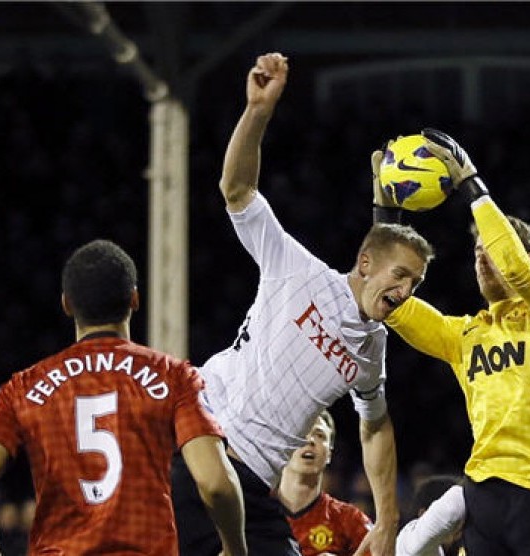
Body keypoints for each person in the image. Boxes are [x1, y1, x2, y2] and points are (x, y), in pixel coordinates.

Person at [172, 52, 434, 556]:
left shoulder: (372, 347)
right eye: (400, 276)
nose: (406, 292)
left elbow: (375, 424)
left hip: (254, 486)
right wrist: (258, 111)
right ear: (364, 263)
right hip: (204, 448)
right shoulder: (297, 269)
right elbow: (237, 189)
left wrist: (386, 518)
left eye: (416, 283)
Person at [0, 239, 247, 556]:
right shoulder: (174, 377)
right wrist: (235, 549)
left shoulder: (23, 388)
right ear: (134, 299)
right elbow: (215, 483)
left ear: (66, 304)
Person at [373, 128, 530, 554]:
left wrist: (471, 182)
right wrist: (385, 218)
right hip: (483, 492)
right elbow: (387, 301)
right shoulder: (465, 336)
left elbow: (520, 274)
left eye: (490, 247)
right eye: (475, 250)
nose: (481, 256)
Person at [278, 410, 373, 556]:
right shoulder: (253, 509)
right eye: (301, 432)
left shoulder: (349, 520)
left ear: (329, 454)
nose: (310, 440)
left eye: (319, 435)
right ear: (282, 446)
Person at [396, 474, 466, 556]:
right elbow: (452, 507)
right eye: (456, 521)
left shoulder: (456, 549)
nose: (460, 526)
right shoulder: (408, 540)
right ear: (423, 514)